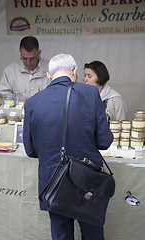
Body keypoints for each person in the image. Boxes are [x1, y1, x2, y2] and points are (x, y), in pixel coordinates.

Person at [23, 53, 113, 240]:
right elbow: (104, 141)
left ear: (49, 76)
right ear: (74, 71)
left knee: (61, 235)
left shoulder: (32, 103)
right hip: (87, 180)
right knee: (93, 234)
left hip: (53, 182)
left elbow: (30, 150)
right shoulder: (90, 93)